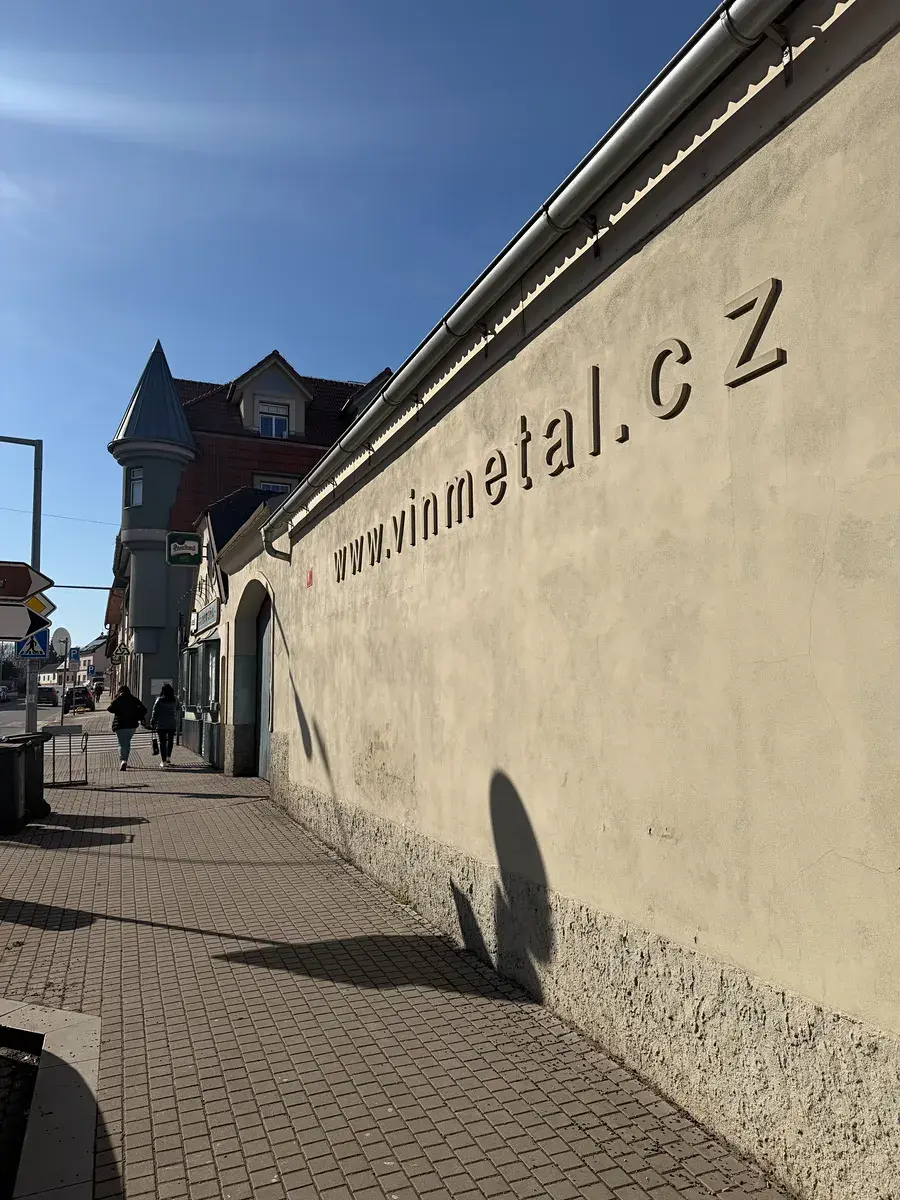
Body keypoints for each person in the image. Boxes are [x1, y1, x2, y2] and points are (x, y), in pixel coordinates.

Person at [107, 685, 147, 771]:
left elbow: (110, 709)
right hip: (131, 725)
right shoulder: (133, 699)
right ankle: (125, 760)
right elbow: (144, 709)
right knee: (127, 742)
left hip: (120, 725)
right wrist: (137, 716)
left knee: (121, 744)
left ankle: (123, 760)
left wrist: (116, 702)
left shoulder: (118, 699)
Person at [150, 683, 180, 768]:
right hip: (172, 723)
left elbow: (155, 712)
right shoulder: (175, 699)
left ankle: (163, 761)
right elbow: (178, 708)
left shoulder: (159, 700)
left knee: (162, 742)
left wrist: (153, 721)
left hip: (161, 724)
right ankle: (168, 757)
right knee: (170, 741)